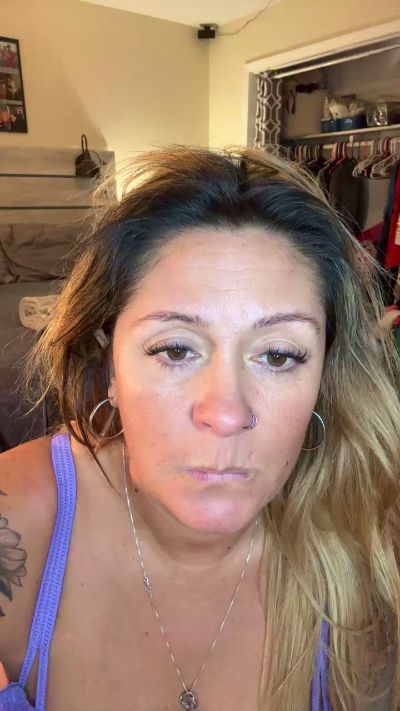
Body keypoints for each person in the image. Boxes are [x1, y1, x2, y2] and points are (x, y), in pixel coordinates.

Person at [0, 146, 399, 711]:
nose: (227, 412)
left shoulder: (371, 551)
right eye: (175, 349)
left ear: (323, 379)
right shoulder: (18, 523)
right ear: (109, 366)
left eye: (279, 355)